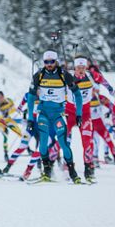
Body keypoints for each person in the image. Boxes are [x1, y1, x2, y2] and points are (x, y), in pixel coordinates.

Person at [26, 50, 84, 183]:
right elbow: (30, 97)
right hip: (44, 114)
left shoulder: (64, 75)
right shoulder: (39, 75)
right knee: (43, 143)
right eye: (46, 62)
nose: (49, 64)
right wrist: (30, 118)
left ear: (56, 61)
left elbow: (78, 95)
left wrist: (79, 114)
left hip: (58, 114)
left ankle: (72, 172)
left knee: (63, 144)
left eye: (51, 62)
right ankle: (46, 170)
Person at [65, 56, 115, 182]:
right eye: (78, 68)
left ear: (86, 67)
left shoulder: (91, 76)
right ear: (74, 68)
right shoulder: (68, 76)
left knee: (87, 142)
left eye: (83, 67)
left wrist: (110, 89)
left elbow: (103, 80)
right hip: (70, 113)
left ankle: (89, 170)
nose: (81, 70)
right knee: (62, 139)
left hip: (85, 114)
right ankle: (64, 167)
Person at [89, 88, 115, 165]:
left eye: (97, 90)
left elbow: (112, 107)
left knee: (108, 140)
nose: (96, 92)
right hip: (91, 125)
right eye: (94, 90)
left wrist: (110, 112)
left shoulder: (100, 98)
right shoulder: (85, 99)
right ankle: (94, 159)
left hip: (100, 124)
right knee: (96, 142)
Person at [0, 91, 23, 161]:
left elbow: (13, 109)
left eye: (2, 97)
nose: (1, 98)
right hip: (1, 122)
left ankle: (27, 148)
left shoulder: (8, 100)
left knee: (19, 132)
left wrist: (12, 108)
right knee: (5, 136)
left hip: (9, 120)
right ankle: (5, 153)